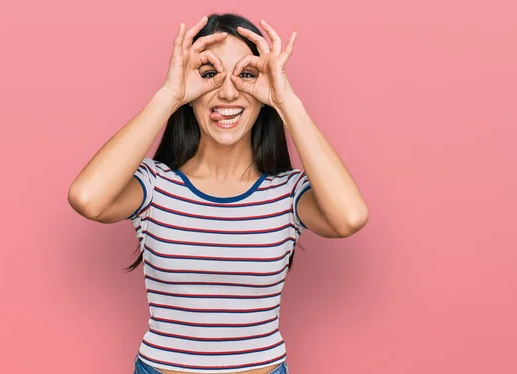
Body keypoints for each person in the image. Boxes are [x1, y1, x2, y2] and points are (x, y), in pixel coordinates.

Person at [68, 12, 368, 374]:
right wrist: (169, 95)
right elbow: (87, 198)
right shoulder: (155, 185)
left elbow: (350, 218)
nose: (227, 92)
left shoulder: (288, 193)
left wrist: (287, 101)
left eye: (246, 75)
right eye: (210, 74)